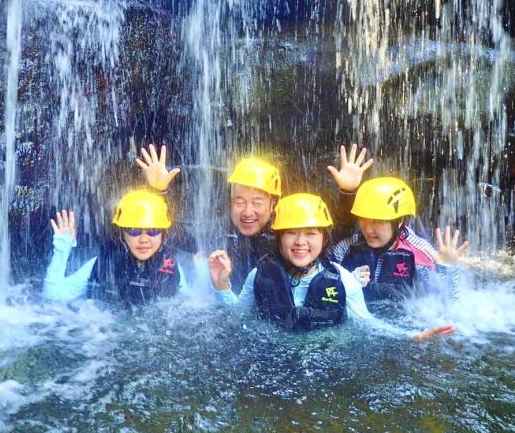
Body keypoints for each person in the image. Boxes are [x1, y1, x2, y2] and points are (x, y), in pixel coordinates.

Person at [207, 193, 453, 339]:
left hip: (324, 357)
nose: (300, 242)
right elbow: (238, 313)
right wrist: (222, 285)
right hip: (272, 358)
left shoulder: (343, 280)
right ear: (279, 238)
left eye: (310, 234)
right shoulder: (260, 274)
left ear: (324, 240)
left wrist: (411, 336)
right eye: (291, 233)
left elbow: (367, 323)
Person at [137, 145, 282, 291]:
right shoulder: (221, 233)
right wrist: (160, 191)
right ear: (230, 202)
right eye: (239, 202)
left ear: (272, 204)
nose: (247, 212)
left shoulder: (283, 241)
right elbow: (172, 236)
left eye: (257, 203)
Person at [328, 174, 469, 304]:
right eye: (363, 219)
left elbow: (448, 304)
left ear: (400, 221)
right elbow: (323, 282)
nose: (368, 229)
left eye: (378, 221)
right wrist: (348, 283)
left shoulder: (419, 253)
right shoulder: (346, 248)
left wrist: (447, 271)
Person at [43, 189, 192, 306]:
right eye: (134, 231)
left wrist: (208, 276)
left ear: (162, 235)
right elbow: (54, 296)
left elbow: (190, 307)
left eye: (153, 231)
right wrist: (62, 249)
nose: (143, 240)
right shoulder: (102, 264)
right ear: (122, 234)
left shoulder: (172, 269)